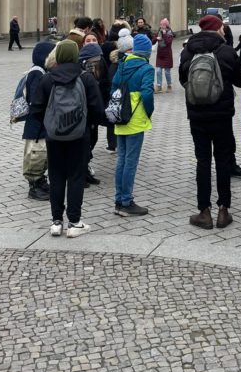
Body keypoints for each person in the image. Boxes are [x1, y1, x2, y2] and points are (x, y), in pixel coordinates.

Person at [29, 39, 104, 238]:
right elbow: (97, 109)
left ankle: (56, 222)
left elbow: (35, 109)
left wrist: (50, 124)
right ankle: (74, 222)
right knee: (76, 177)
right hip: (79, 136)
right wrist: (88, 124)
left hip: (54, 137)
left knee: (56, 177)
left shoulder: (47, 79)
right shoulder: (86, 78)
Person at [179, 13, 241, 229]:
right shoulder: (226, 51)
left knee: (203, 161)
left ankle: (204, 211)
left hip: (197, 115)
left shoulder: (188, 50)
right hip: (222, 116)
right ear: (218, 28)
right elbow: (240, 81)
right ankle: (223, 210)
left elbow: (183, 79)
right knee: (223, 161)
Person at [111, 33, 154, 216]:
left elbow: (113, 89)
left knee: (121, 159)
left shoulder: (122, 65)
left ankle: (119, 200)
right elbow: (147, 94)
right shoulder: (146, 68)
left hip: (120, 117)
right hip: (135, 120)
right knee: (131, 162)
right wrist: (149, 112)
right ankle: (126, 202)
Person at [20, 41, 53, 200]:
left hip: (40, 123)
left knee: (42, 154)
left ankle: (40, 181)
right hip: (36, 124)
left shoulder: (42, 71)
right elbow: (35, 99)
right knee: (36, 155)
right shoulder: (36, 73)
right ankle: (34, 186)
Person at [78, 32, 107, 186]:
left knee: (92, 139)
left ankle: (85, 167)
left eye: (94, 40)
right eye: (88, 40)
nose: (91, 42)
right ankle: (81, 172)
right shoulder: (79, 63)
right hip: (84, 110)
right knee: (84, 141)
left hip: (96, 107)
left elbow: (106, 82)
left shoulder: (101, 60)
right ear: (83, 44)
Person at [154, 18, 175, 92]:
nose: (161, 26)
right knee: (158, 71)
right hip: (160, 55)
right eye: (161, 24)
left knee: (167, 72)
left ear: (166, 26)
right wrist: (156, 38)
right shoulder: (159, 32)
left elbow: (168, 42)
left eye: (163, 25)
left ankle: (169, 85)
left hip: (167, 54)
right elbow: (153, 41)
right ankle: (159, 86)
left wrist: (164, 34)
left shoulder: (170, 33)